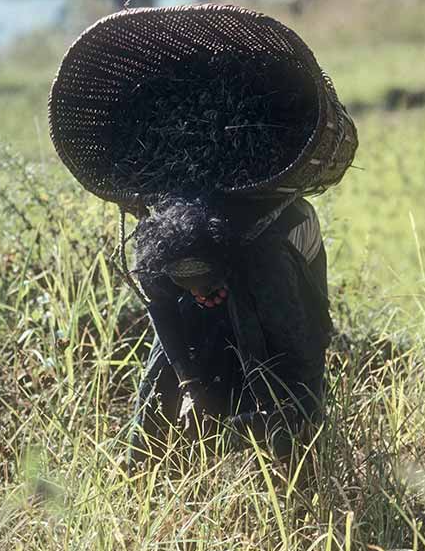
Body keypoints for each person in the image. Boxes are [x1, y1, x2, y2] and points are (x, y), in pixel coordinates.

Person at [127, 193, 333, 469]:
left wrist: (284, 411)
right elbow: (166, 320)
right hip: (219, 254)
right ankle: (140, 470)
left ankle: (304, 473)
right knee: (164, 368)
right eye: (186, 286)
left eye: (205, 284)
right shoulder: (154, 256)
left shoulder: (266, 260)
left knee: (282, 371)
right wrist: (188, 386)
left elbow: (298, 349)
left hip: (278, 255)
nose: (198, 294)